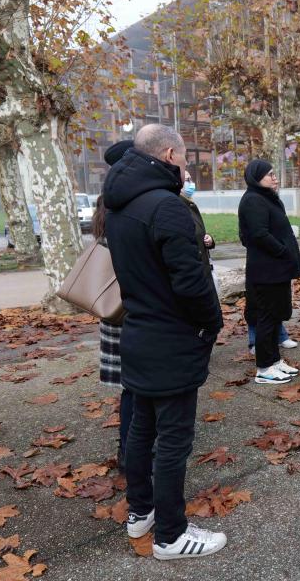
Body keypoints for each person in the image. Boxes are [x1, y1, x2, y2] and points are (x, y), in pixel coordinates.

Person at [103, 124, 227, 560]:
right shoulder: (165, 207)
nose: (188, 165)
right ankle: (171, 535)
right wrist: (212, 322)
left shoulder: (119, 206)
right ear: (170, 153)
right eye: (186, 157)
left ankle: (141, 510)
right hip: (170, 338)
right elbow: (191, 282)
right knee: (172, 439)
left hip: (138, 333)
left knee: (140, 430)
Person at [238, 160, 300, 383]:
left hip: (276, 270)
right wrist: (283, 251)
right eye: (270, 174)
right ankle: (264, 368)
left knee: (275, 316)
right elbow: (257, 234)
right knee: (266, 318)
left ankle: (275, 361)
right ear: (256, 178)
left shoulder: (265, 197)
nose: (274, 178)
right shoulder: (253, 200)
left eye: (274, 173)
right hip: (267, 271)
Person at [96, 139, 134, 465]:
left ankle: (127, 450)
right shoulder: (124, 205)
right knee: (138, 389)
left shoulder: (107, 202)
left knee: (131, 388)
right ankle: (131, 451)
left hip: (113, 309)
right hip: (129, 308)